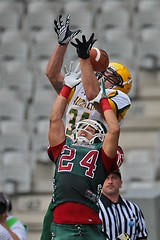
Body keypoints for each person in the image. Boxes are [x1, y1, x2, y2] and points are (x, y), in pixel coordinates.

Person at [40, 14, 128, 240]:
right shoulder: (80, 87)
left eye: (112, 76)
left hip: (91, 158)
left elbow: (92, 94)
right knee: (53, 218)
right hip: (67, 151)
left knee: (82, 217)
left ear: (122, 86)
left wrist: (84, 59)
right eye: (106, 73)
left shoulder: (118, 99)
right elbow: (51, 74)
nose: (105, 77)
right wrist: (62, 44)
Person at [46, 65, 123, 239]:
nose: (83, 129)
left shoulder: (102, 154)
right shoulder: (63, 147)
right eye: (83, 126)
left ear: (99, 136)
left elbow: (114, 130)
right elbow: (55, 119)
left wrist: (103, 99)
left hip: (89, 224)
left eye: (90, 128)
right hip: (62, 225)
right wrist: (66, 87)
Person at [98, 170, 148, 240]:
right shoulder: (93, 209)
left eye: (114, 178)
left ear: (121, 183)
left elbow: (142, 236)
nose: (110, 182)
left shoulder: (133, 209)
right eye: (106, 178)